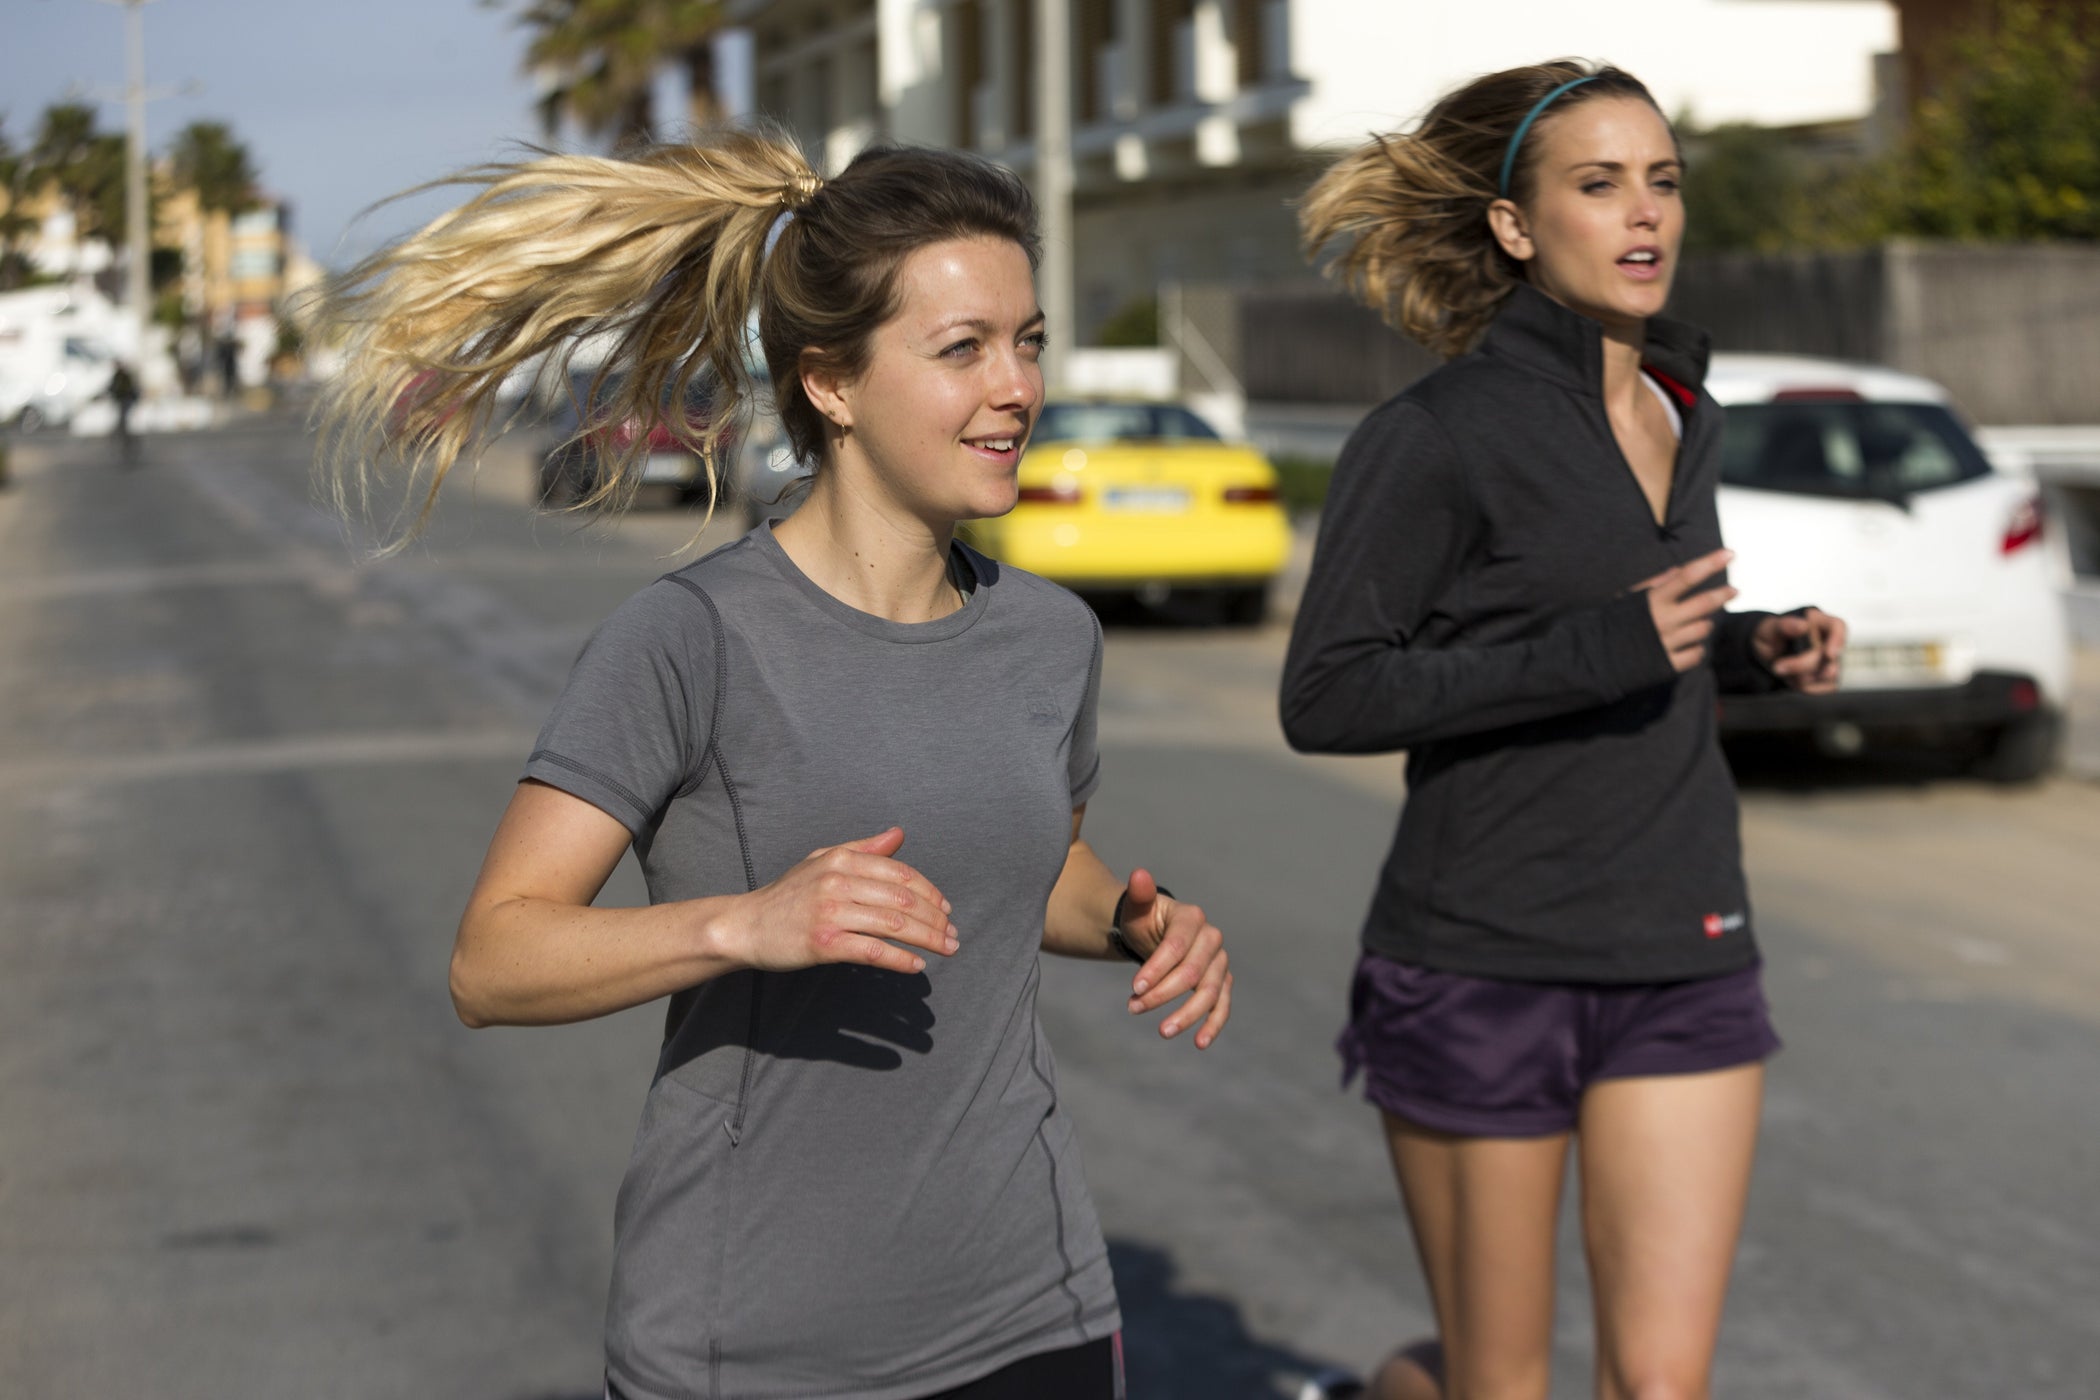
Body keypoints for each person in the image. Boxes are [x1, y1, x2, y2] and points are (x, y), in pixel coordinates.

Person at [316, 132, 1233, 1400]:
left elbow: (1035, 865)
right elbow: (493, 959)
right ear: (833, 382)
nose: (1017, 384)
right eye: (962, 348)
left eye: (1028, 338)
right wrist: (746, 924)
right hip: (754, 1347)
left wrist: (1139, 917)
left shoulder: (1048, 634)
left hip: (1036, 1308)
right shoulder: (688, 637)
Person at [1281, 62, 1846, 1400]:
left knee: (1660, 1387)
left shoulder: (1680, 405)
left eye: (1662, 181)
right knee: (1501, 1386)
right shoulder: (1434, 437)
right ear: (1516, 227)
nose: (1644, 215)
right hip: (1486, 961)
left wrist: (1752, 645)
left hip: (1685, 944)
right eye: (1598, 185)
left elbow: (1635, 624)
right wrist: (1603, 649)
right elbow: (1330, 692)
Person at [105, 361, 140, 466]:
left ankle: (128, 443)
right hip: (122, 402)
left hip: (126, 402)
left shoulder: (124, 376)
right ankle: (126, 442)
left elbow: (128, 390)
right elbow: (111, 388)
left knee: (123, 423)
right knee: (122, 424)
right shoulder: (117, 376)